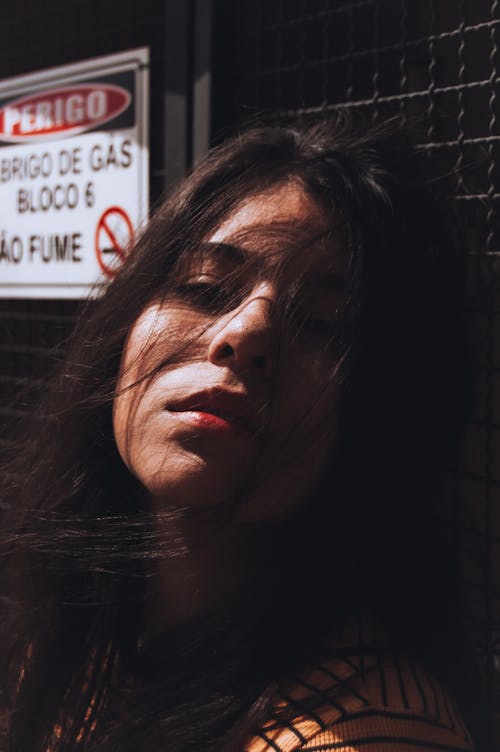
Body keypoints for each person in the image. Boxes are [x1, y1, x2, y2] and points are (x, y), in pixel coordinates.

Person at [0, 117, 486, 751]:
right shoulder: (68, 634)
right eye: (202, 287)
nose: (244, 332)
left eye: (319, 325)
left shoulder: (365, 732)